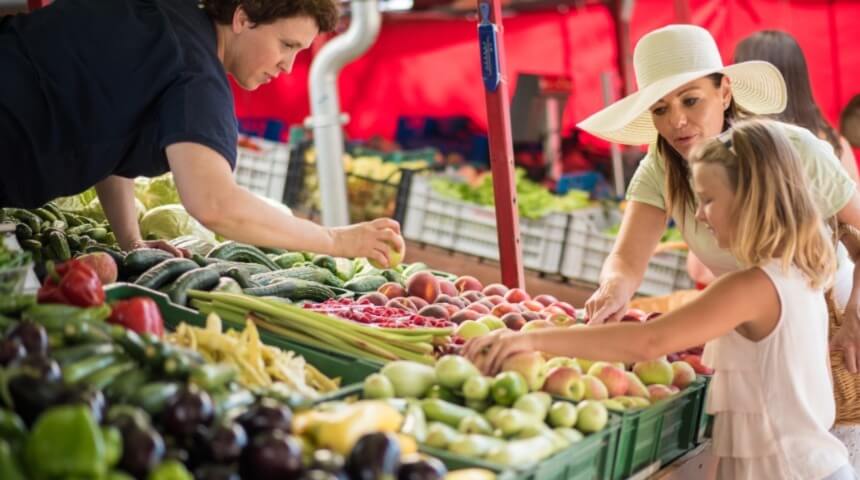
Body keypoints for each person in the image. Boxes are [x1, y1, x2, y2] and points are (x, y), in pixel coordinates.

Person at [465, 119, 855, 480]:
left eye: (707, 200)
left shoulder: (750, 288)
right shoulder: (798, 272)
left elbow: (648, 341)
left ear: (750, 199)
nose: (699, 216)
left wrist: (529, 339)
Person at [0, 0, 405, 266]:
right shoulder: (197, 73)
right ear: (243, 17)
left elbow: (113, 131)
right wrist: (336, 241)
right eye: (286, 44)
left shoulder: (167, 19)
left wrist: (131, 240)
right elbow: (214, 204)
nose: (287, 66)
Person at [573, 25, 860, 375]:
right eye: (660, 109)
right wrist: (615, 286)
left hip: (836, 329)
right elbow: (626, 259)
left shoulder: (797, 152)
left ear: (724, 93)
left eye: (690, 100)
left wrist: (854, 319)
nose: (676, 121)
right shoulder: (661, 166)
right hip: (745, 329)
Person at [685, 30, 860, 290]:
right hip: (834, 287)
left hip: (770, 292)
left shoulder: (742, 153)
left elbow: (699, 270)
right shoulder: (836, 145)